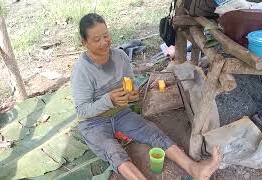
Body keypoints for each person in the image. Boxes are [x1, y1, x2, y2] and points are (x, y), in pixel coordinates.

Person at [71, 13, 221, 180]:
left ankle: (194, 169)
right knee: (113, 150)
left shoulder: (120, 57)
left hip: (120, 113)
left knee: (153, 133)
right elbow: (82, 110)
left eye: (106, 35)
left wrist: (133, 94)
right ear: (84, 43)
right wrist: (109, 100)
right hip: (93, 122)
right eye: (96, 39)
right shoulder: (82, 70)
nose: (104, 42)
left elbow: (132, 86)